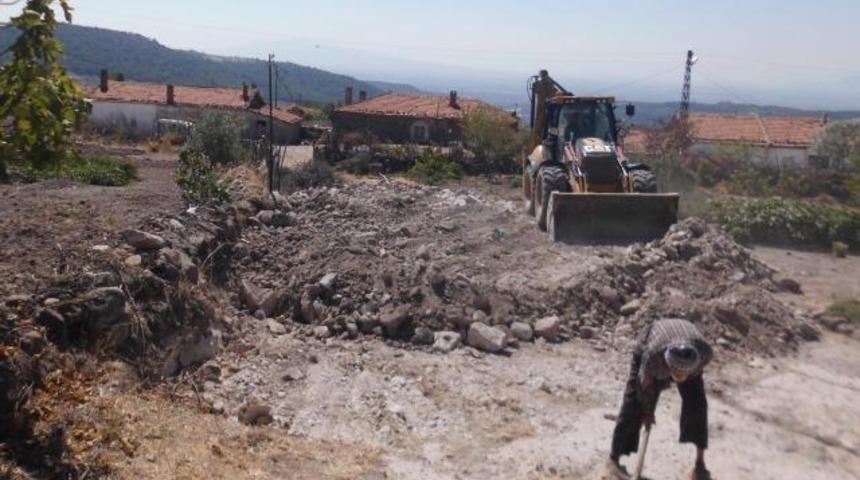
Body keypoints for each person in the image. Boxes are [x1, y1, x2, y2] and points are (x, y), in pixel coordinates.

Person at [607, 319, 714, 480]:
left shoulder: (704, 353)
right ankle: (613, 459)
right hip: (651, 342)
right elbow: (643, 387)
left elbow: (694, 376)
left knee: (697, 405)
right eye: (675, 372)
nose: (678, 377)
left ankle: (700, 465)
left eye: (682, 374)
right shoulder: (653, 358)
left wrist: (686, 376)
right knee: (633, 402)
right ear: (668, 364)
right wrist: (648, 411)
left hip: (689, 345)